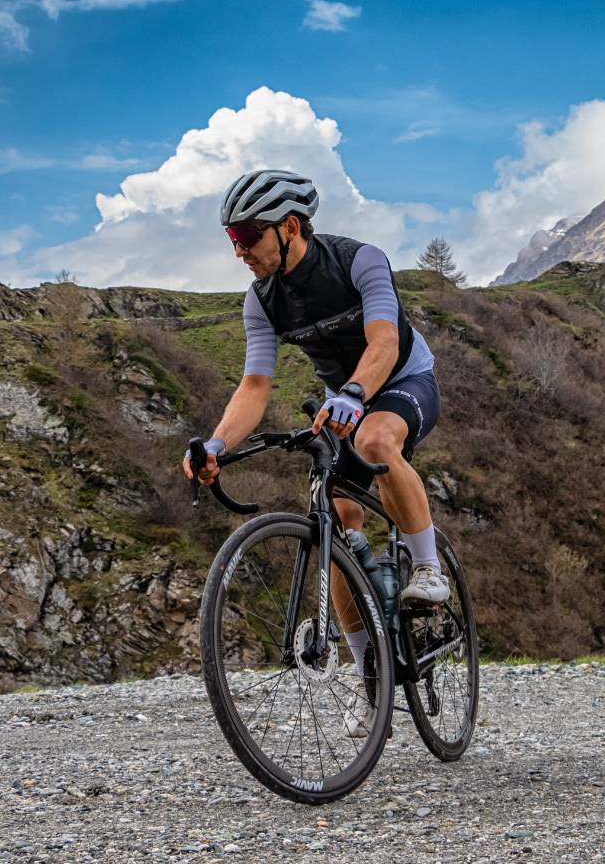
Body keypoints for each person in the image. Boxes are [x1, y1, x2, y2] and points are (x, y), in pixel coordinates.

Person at [181, 169, 447, 736]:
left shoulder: (359, 261)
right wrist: (217, 443)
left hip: (402, 380)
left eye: (248, 237)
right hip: (343, 398)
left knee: (376, 440)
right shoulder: (261, 301)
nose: (239, 251)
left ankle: (429, 567)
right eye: (232, 239)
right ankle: (365, 674)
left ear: (290, 227)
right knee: (332, 519)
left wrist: (353, 393)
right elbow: (254, 388)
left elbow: (384, 342)